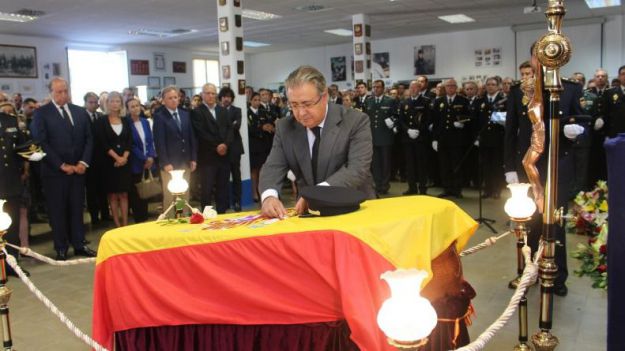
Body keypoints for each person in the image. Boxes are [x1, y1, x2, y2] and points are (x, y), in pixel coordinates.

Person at [504, 49, 584, 296]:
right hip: (528, 165)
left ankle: (557, 275)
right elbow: (511, 131)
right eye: (538, 56)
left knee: (555, 222)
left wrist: (576, 132)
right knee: (528, 224)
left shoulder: (569, 89)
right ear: (533, 60)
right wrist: (509, 169)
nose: (542, 61)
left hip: (558, 164)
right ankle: (528, 272)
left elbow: (583, 122)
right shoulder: (519, 91)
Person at [259, 65, 375, 218]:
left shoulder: (355, 121)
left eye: (307, 104)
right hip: (309, 213)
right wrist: (269, 196)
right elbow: (273, 167)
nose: (301, 113)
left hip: (352, 209)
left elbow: (357, 169)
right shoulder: (285, 127)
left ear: (324, 97)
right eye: (294, 105)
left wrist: (316, 194)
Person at [32, 77, 96, 260]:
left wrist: (83, 163)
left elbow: (88, 139)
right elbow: (41, 143)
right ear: (51, 93)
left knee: (77, 208)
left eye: (65, 91)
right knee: (58, 210)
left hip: (78, 170)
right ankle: (61, 247)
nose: (63, 95)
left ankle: (79, 243)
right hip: (54, 173)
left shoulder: (79, 111)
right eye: (58, 92)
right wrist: (61, 165)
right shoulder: (42, 113)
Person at [153, 86, 197, 213]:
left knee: (184, 192)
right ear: (164, 100)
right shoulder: (160, 117)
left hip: (185, 160)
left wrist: (193, 158)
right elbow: (159, 142)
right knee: (170, 194)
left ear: (179, 98)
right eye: (170, 98)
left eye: (175, 97)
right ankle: (170, 219)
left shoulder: (185, 114)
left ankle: (183, 215)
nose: (173, 100)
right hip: (170, 163)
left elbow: (191, 137)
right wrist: (165, 162)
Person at [191, 83, 233, 214]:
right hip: (208, 156)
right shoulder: (197, 112)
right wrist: (217, 146)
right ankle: (206, 215)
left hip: (224, 155)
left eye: (213, 93)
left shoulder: (223, 110)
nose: (210, 96)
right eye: (207, 93)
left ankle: (222, 213)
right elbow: (201, 133)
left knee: (223, 187)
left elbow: (230, 130)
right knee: (207, 189)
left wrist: (225, 144)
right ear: (202, 95)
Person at [94, 92, 132, 227]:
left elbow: (129, 141)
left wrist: (124, 158)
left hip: (125, 162)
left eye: (117, 101)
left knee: (124, 194)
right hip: (109, 163)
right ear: (107, 103)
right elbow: (103, 143)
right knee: (113, 195)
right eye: (112, 101)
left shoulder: (126, 120)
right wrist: (117, 158)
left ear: (121, 104)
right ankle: (117, 224)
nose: (115, 104)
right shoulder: (101, 121)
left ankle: (125, 224)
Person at [432, 79, 471, 199]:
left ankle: (457, 189)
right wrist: (435, 139)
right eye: (448, 86)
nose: (450, 88)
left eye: (452, 86)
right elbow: (436, 121)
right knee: (444, 165)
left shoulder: (463, 100)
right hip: (443, 139)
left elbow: (469, 117)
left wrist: (463, 124)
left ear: (456, 87)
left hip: (457, 139)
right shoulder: (439, 101)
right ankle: (447, 188)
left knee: (456, 165)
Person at [398, 80, 431, 195]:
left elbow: (428, 120)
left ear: (420, 89)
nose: (413, 90)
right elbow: (401, 120)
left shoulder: (426, 102)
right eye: (411, 88)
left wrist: (419, 130)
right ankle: (411, 187)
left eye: (415, 87)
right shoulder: (404, 103)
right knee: (410, 164)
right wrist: (408, 130)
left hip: (421, 138)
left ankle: (422, 188)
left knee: (421, 164)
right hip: (408, 138)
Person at [364, 80, 396, 195]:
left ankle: (385, 185)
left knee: (386, 163)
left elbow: (396, 115)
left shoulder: (390, 101)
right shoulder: (369, 101)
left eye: (378, 87)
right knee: (375, 164)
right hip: (373, 137)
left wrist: (392, 122)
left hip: (385, 137)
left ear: (383, 88)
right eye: (374, 87)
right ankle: (377, 185)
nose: (376, 89)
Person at [127, 97, 156, 223]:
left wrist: (150, 156)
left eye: (137, 105)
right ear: (128, 109)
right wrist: (144, 158)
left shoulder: (145, 122)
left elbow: (150, 141)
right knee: (136, 192)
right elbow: (131, 145)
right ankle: (138, 218)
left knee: (145, 191)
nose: (135, 108)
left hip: (148, 161)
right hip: (136, 162)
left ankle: (144, 217)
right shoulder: (127, 124)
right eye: (132, 106)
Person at [83, 92, 110, 225]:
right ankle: (94, 216)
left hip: (101, 158)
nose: (94, 105)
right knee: (91, 189)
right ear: (85, 103)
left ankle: (105, 214)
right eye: (91, 102)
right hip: (88, 159)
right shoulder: (82, 117)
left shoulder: (100, 116)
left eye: (96, 102)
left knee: (103, 187)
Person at [219, 86, 244, 212]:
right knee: (223, 177)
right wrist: (230, 124)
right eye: (224, 96)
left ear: (232, 99)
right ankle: (225, 203)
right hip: (222, 148)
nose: (226, 99)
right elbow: (218, 128)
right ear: (221, 98)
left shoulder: (237, 110)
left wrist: (225, 126)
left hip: (234, 147)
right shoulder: (217, 110)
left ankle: (237, 201)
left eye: (228, 97)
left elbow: (236, 126)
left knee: (236, 175)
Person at [247, 92, 274, 202]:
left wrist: (269, 127)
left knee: (263, 170)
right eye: (255, 100)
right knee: (254, 171)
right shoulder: (247, 113)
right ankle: (254, 193)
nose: (257, 102)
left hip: (264, 145)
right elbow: (249, 129)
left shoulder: (263, 112)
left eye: (259, 100)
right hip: (254, 146)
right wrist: (261, 128)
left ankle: (262, 191)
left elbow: (269, 123)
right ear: (251, 101)